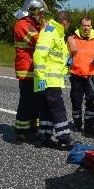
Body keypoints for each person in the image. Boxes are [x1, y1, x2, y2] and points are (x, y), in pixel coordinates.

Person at [33, 10, 75, 150]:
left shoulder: (56, 33)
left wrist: (64, 72)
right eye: (68, 24)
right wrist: (41, 77)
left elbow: (58, 59)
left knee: (46, 110)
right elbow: (39, 54)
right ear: (65, 22)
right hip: (48, 80)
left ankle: (43, 138)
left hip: (49, 79)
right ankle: (64, 139)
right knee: (58, 110)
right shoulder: (51, 32)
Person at [67, 16, 94, 136]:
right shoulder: (72, 39)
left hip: (91, 76)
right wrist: (65, 69)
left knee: (91, 101)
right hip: (76, 76)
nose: (86, 28)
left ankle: (89, 127)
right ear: (80, 26)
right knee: (76, 101)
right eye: (84, 25)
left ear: (91, 26)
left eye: (88, 25)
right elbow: (65, 56)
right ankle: (77, 124)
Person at [13, 0, 46, 143]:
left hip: (34, 69)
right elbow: (39, 40)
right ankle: (21, 131)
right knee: (26, 101)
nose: (41, 16)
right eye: (40, 13)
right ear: (31, 12)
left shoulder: (32, 24)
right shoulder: (22, 25)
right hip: (26, 70)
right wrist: (47, 29)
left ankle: (32, 128)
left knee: (36, 101)